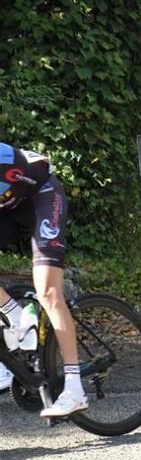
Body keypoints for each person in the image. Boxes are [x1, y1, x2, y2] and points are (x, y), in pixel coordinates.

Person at [0, 142, 88, 415]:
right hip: (9, 207)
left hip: (43, 196)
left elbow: (41, 163)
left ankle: (74, 388)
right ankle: (12, 321)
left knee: (49, 292)